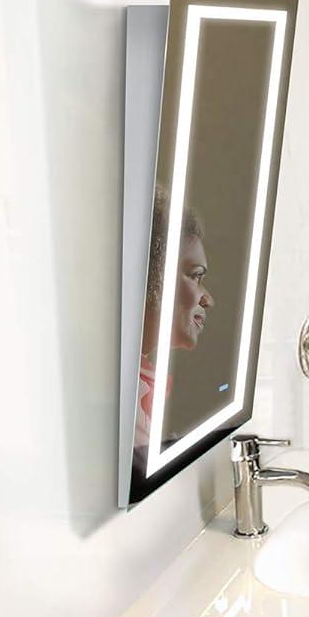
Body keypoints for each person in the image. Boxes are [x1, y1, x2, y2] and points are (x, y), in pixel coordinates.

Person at [133, 191, 215, 460]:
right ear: (152, 274)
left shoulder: (135, 381)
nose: (208, 299)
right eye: (196, 276)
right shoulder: (122, 397)